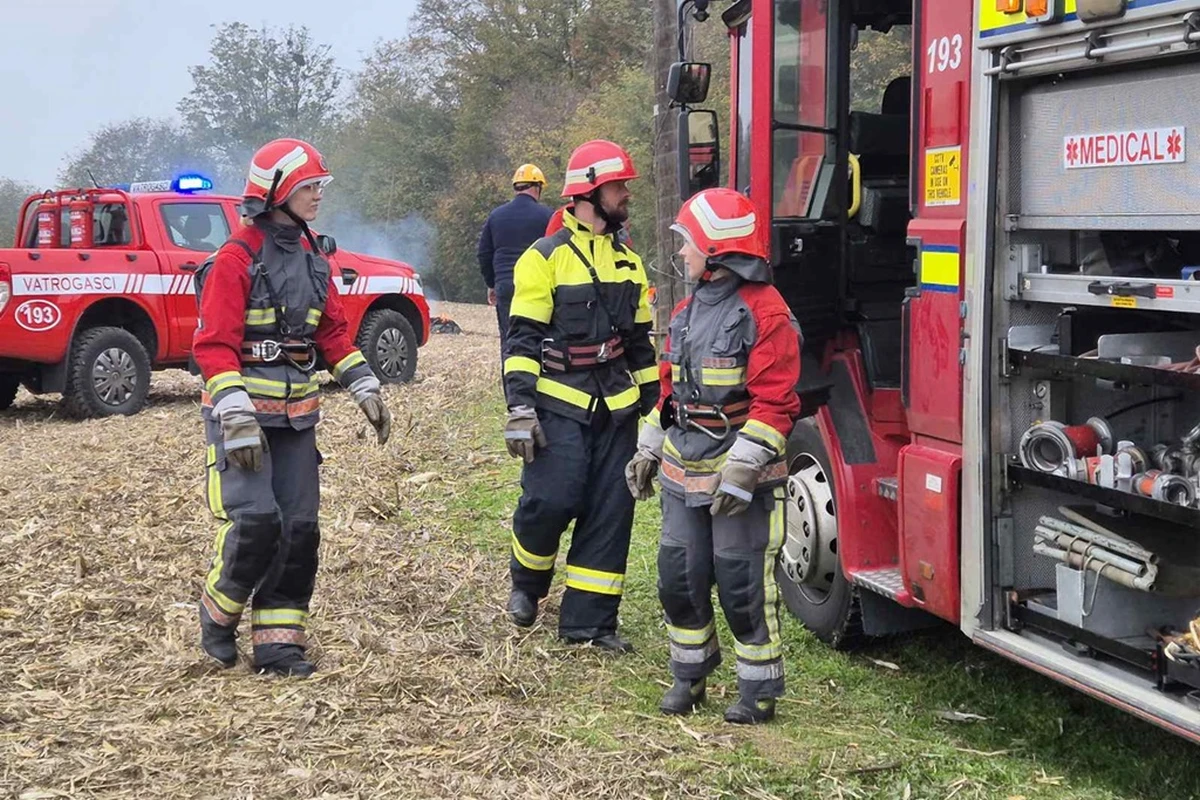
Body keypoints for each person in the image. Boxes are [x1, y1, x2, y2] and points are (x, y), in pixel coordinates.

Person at [192, 138, 393, 677]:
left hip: (297, 419)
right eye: (309, 186)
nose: (317, 196)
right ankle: (218, 614)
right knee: (257, 522)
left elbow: (331, 334)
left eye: (319, 187)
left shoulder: (313, 258)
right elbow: (212, 346)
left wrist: (364, 386)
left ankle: (280, 645)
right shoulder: (234, 260)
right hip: (242, 421)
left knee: (299, 529)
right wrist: (234, 415)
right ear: (277, 191)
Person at [625, 187, 802, 723]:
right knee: (678, 576)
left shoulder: (767, 314)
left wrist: (742, 471)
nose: (681, 253)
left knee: (740, 582)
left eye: (688, 243)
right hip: (684, 468)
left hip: (738, 477)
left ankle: (759, 689)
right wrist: (648, 447)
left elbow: (777, 403)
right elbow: (669, 391)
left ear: (719, 249)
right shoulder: (684, 311)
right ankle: (690, 676)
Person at [502, 139, 659, 652]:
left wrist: (657, 410)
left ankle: (589, 625)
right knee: (552, 498)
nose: (625, 195)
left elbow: (639, 344)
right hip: (557, 401)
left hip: (617, 408)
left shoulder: (629, 263)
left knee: (611, 511)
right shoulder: (541, 259)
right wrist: (521, 409)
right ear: (588, 192)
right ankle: (527, 584)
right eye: (618, 187)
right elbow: (522, 339)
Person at [478, 164, 553, 357]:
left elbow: (484, 253)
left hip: (506, 286)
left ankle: (511, 385)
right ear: (537, 187)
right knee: (540, 340)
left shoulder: (496, 216)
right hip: (537, 287)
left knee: (510, 343)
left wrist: (492, 283)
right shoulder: (547, 216)